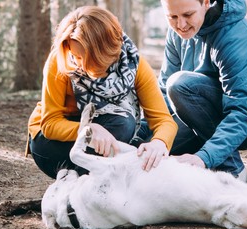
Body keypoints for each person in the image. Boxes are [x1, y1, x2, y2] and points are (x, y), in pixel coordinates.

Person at [138, 0, 247, 183]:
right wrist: (138, 134)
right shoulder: (176, 33)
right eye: (172, 17)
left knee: (180, 86)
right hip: (205, 109)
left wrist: (203, 158)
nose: (181, 25)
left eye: (188, 15)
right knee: (147, 148)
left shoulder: (235, 36)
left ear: (206, 3)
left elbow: (241, 112)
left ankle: (234, 173)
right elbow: (162, 95)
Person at [26, 6, 177, 179]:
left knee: (140, 143)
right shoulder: (61, 60)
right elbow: (50, 125)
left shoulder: (133, 65)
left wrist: (159, 143)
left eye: (90, 58)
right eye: (77, 56)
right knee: (124, 129)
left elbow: (164, 121)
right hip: (53, 143)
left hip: (108, 133)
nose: (80, 65)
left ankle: (86, 180)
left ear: (109, 51)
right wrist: (87, 130)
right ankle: (85, 186)